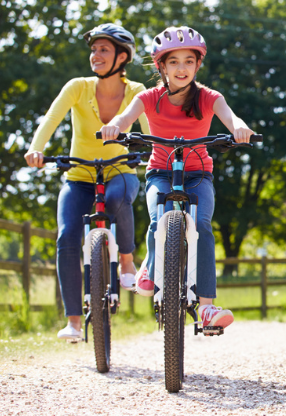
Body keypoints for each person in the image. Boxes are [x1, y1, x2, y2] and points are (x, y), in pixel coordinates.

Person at [100, 26, 255, 331]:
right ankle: (151, 266)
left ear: (198, 65)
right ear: (161, 66)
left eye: (188, 61)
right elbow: (125, 117)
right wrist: (114, 126)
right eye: (174, 62)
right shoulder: (149, 97)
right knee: (159, 216)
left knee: (202, 226)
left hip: (199, 174)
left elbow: (231, 117)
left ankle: (207, 308)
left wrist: (240, 128)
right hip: (160, 171)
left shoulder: (209, 97)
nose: (181, 68)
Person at [24, 23, 149, 340]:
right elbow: (51, 118)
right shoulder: (77, 87)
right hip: (79, 176)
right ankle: (74, 322)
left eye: (103, 49)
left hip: (120, 171)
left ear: (122, 56)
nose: (95, 55)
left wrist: (153, 154)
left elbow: (150, 134)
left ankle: (126, 261)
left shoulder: (136, 92)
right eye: (93, 49)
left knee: (119, 198)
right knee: (67, 236)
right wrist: (36, 149)